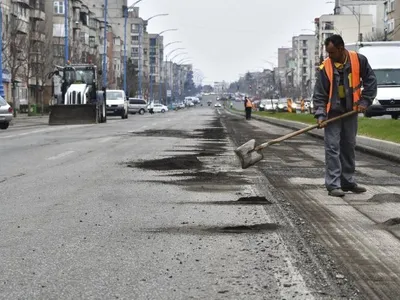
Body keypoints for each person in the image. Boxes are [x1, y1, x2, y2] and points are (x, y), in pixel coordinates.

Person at [313, 34, 377, 197]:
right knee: (332, 147)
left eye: (332, 52)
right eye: (327, 53)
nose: (329, 56)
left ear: (341, 49)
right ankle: (333, 185)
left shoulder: (358, 60)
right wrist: (321, 115)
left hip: (350, 110)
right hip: (332, 113)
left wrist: (364, 102)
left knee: (348, 146)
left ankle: (347, 182)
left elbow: (371, 81)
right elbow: (320, 94)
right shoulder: (325, 67)